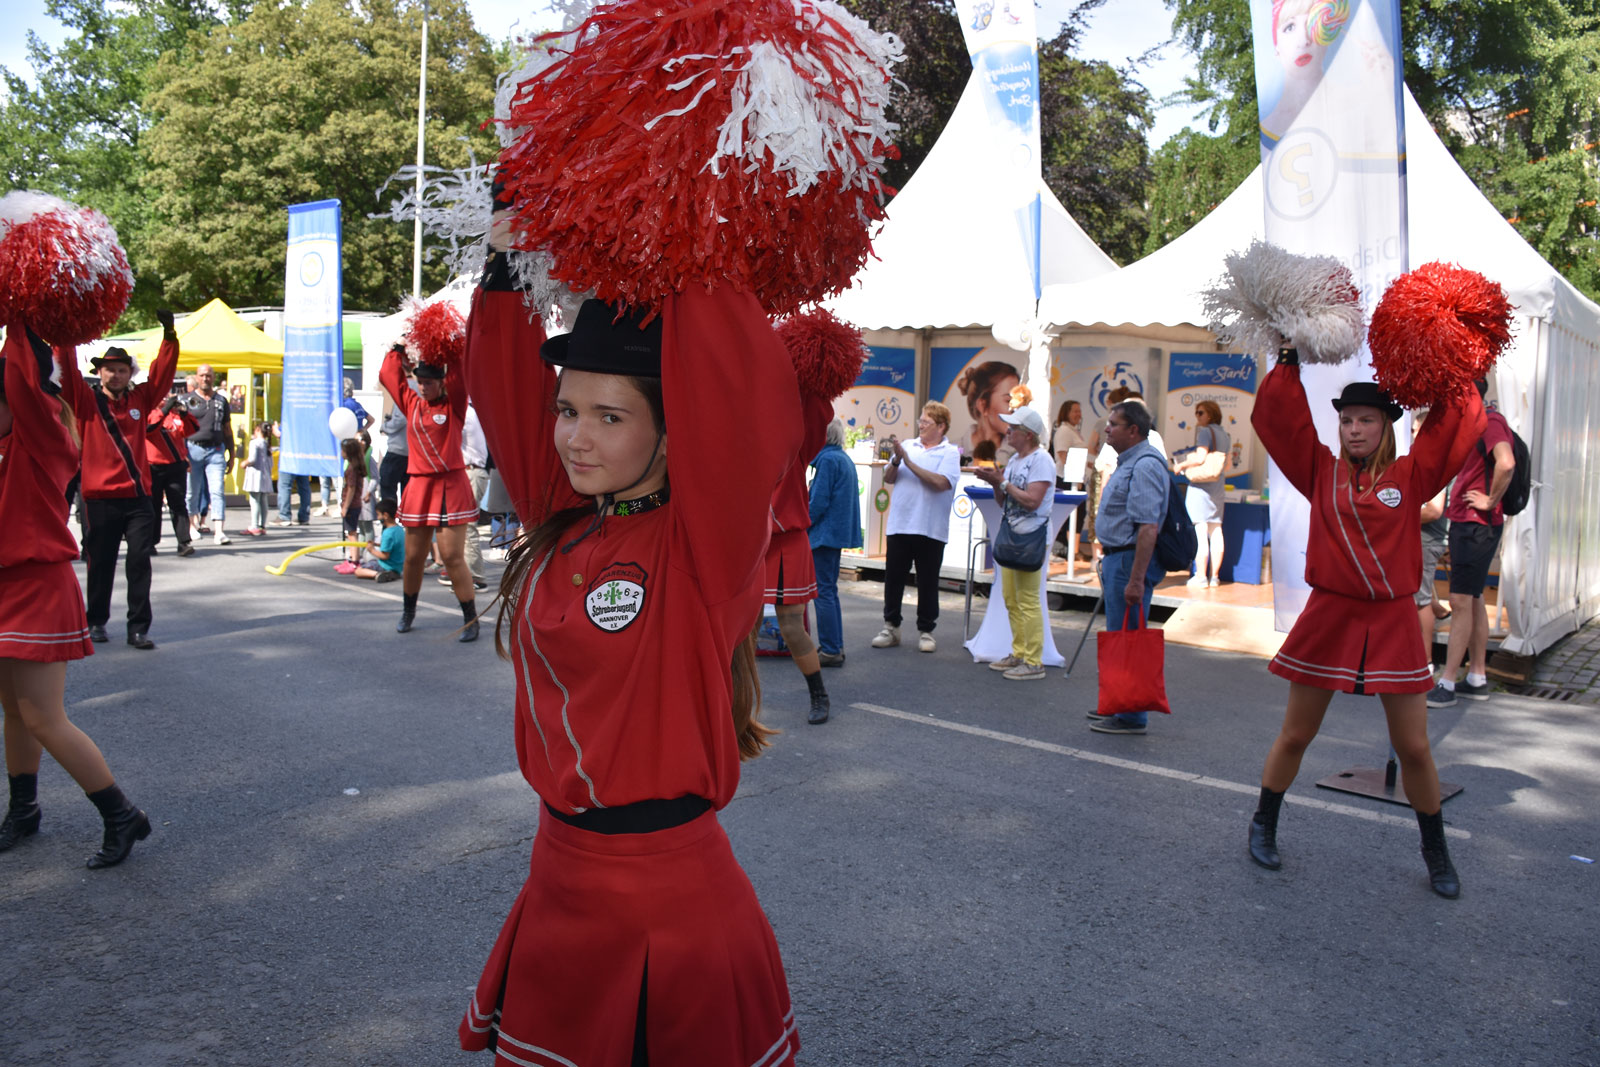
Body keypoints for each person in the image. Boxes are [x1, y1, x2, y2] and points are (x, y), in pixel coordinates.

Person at [457, 271, 802, 1065]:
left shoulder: (703, 550)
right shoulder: (564, 522)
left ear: (675, 431)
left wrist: (689, 241)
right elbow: (504, 389)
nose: (576, 437)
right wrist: (507, 266)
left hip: (672, 910)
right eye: (569, 410)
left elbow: (748, 399)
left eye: (610, 417)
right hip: (559, 882)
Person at [1247, 357, 1483, 898]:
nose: (1354, 430)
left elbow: (1454, 428)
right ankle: (1263, 824)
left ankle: (1436, 853)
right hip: (1329, 615)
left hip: (1394, 620)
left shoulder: (1412, 476)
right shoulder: (1319, 469)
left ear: (1386, 427)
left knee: (1415, 748)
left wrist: (1457, 367)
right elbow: (1283, 421)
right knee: (1297, 733)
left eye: (1365, 421)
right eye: (1347, 421)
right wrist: (1287, 361)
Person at [0, 324, 151, 868]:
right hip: (4, 587)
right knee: (13, 712)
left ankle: (121, 814)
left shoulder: (39, 436)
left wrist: (23, 313)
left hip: (36, 585)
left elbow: (26, 370)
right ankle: (24, 808)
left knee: (42, 716)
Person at [61, 327, 179, 651]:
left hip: (138, 497)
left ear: (130, 373)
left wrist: (169, 338)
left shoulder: (141, 397)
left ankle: (138, 628)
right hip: (99, 498)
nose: (115, 374)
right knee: (101, 562)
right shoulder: (85, 400)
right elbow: (66, 369)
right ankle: (95, 621)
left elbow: (163, 375)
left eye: (122, 369)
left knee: (140, 561)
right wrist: (63, 335)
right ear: (99, 372)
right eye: (110, 369)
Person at [378, 340, 481, 641]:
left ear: (441, 382)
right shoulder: (410, 403)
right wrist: (398, 348)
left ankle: (470, 618)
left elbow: (461, 375)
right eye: (420, 382)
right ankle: (408, 611)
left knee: (452, 557)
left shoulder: (454, 404)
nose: (423, 387)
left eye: (429, 383)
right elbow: (389, 375)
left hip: (450, 484)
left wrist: (447, 348)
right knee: (413, 557)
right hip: (420, 485)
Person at [1428, 379, 1516, 708]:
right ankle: (1476, 677)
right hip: (1473, 525)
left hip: (1477, 525)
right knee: (1474, 597)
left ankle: (1447, 683)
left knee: (1461, 601)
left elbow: (1506, 462)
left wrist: (1490, 500)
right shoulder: (1483, 422)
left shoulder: (1489, 422)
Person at [1089, 398, 1171, 733]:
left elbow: (1148, 526)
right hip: (1118, 557)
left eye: (1114, 424)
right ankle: (1119, 703)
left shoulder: (1145, 465)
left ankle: (1132, 713)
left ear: (1133, 430)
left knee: (1128, 637)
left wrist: (1136, 579)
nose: (1107, 428)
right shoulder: (1130, 461)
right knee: (1120, 636)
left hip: (1127, 559)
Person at [762, 383, 835, 724]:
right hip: (748, 544)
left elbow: (818, 415)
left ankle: (819, 694)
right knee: (737, 628)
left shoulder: (796, 446)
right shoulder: (741, 441)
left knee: (791, 626)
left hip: (787, 541)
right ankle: (731, 701)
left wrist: (807, 382)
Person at [970, 407, 1055, 681]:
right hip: (1015, 535)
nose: (1007, 432)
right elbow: (1004, 502)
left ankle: (1033, 660)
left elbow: (1032, 500)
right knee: (1011, 598)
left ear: (1028, 435)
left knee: (1027, 600)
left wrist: (1002, 483)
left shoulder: (1041, 460)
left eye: (1013, 428)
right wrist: (997, 484)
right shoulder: (1018, 459)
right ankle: (1020, 653)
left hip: (1031, 537)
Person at [872, 401, 962, 653]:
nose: (921, 425)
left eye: (926, 422)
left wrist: (909, 462)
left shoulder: (949, 453)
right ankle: (891, 626)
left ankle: (926, 630)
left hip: (930, 527)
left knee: (928, 581)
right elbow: (889, 479)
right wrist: (898, 461)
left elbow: (941, 483)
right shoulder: (908, 446)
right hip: (900, 523)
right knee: (894, 578)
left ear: (941, 426)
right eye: (920, 420)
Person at [808, 418, 862, 669]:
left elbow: (817, 504)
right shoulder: (841, 458)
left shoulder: (827, 461)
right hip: (835, 534)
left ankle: (830, 648)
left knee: (823, 592)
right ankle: (834, 645)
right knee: (829, 590)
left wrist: (799, 523)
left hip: (824, 535)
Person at [1259, 0, 1349, 144]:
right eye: (1289, 27)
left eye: (1311, 24)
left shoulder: (1354, 104)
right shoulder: (1270, 129)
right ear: (1277, 47)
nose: (1303, 40)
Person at [1173, 399, 1230, 587]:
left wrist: (1181, 464)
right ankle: (1215, 576)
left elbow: (1200, 457)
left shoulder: (1205, 432)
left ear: (1210, 415)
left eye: (1200, 412)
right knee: (1216, 530)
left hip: (1201, 488)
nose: (1197, 416)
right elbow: (1227, 464)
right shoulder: (1225, 435)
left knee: (1200, 531)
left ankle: (1201, 576)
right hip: (1218, 487)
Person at [184, 364, 234, 546]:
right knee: (192, 491)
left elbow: (227, 429)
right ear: (197, 377)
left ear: (213, 377)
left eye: (209, 375)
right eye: (202, 375)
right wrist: (182, 454)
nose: (205, 378)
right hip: (192, 449)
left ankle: (219, 531)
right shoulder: (187, 400)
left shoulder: (221, 400)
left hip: (216, 450)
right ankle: (192, 526)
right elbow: (179, 428)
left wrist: (232, 454)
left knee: (217, 490)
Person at [146, 389, 198, 557]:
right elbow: (150, 428)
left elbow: (191, 430)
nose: (165, 397)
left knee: (178, 504)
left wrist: (184, 413)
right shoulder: (150, 412)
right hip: (152, 466)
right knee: (153, 505)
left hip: (175, 466)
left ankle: (183, 542)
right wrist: (165, 408)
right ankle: (151, 543)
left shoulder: (174, 415)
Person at [450, 403, 490, 591]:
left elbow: (450, 438)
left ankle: (475, 576)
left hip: (471, 472)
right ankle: (468, 573)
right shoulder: (471, 411)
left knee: (467, 525)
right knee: (464, 524)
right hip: (472, 472)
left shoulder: (465, 413)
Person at [955, 359, 1020, 460]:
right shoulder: (956, 449)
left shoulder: (1019, 452)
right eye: (1008, 400)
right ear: (983, 405)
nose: (1016, 408)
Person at [334, 437, 365, 573]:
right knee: (350, 532)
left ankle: (354, 561)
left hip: (352, 505)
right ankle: (352, 558)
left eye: (342, 450)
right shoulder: (355, 466)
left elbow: (351, 488)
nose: (341, 452)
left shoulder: (352, 469)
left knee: (352, 533)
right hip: (354, 504)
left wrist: (345, 507)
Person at [354, 498, 403, 582]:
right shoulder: (399, 530)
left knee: (358, 571)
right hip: (398, 566)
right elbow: (394, 546)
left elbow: (384, 556)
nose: (378, 517)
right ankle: (391, 573)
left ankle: (378, 574)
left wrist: (371, 550)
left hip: (386, 566)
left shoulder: (387, 533)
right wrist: (377, 544)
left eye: (378, 514)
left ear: (385, 515)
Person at [376, 396, 410, 504]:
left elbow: (400, 419)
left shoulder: (404, 392)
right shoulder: (413, 390)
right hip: (409, 450)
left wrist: (385, 426)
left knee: (387, 484)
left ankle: (389, 517)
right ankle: (406, 517)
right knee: (407, 489)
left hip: (398, 449)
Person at [241, 422, 272, 536]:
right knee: (263, 501)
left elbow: (252, 458)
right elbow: (271, 463)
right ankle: (262, 525)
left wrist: (245, 463)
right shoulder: (267, 445)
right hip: (265, 476)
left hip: (255, 476)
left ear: (258, 430)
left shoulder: (254, 443)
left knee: (254, 501)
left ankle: (254, 525)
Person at [1051, 400, 1087, 478]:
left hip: (1074, 477)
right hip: (1066, 478)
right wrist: (1075, 477)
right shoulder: (1064, 430)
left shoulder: (1072, 430)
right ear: (1066, 414)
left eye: (1080, 411)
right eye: (1075, 412)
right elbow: (1062, 455)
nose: (1079, 415)